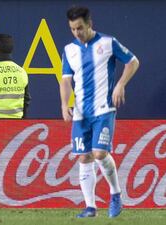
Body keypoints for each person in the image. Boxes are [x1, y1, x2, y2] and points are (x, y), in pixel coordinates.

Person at [60, 6, 139, 218]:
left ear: (89, 24)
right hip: (80, 113)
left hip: (104, 109)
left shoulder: (107, 43)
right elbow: (66, 80)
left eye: (80, 28)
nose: (77, 33)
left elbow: (133, 62)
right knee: (84, 158)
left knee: (100, 153)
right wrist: (63, 104)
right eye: (72, 29)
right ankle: (90, 207)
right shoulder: (69, 50)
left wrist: (121, 84)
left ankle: (115, 194)